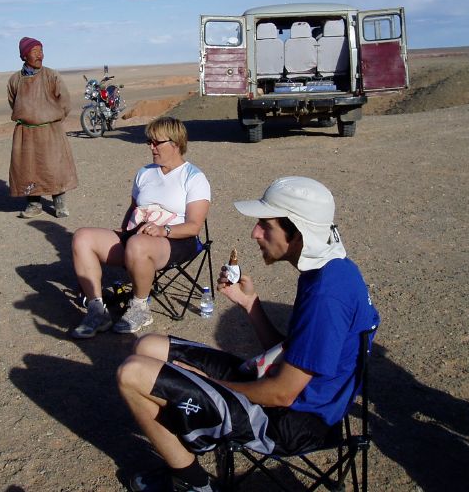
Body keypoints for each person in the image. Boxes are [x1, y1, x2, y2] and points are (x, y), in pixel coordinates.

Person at [116, 176, 380, 492]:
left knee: (132, 374)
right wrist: (249, 303)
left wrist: (208, 384)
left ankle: (193, 484)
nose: (255, 233)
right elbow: (292, 353)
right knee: (149, 345)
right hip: (290, 391)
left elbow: (283, 393)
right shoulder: (331, 269)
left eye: (265, 225)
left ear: (297, 232)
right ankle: (183, 450)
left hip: (291, 422)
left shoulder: (327, 294)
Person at [71, 116, 210, 338]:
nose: (151, 147)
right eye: (149, 142)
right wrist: (123, 232)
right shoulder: (145, 172)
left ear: (175, 143)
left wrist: (163, 230)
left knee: (137, 245)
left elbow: (194, 227)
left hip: (177, 240)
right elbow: (133, 208)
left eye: (156, 142)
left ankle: (140, 307)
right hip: (137, 237)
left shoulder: (193, 177)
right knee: (82, 237)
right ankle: (97, 311)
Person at [7, 36, 78, 219]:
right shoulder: (15, 80)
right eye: (35, 51)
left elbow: (65, 102)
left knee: (54, 167)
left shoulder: (51, 76)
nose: (40, 55)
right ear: (24, 56)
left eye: (41, 50)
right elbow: (13, 102)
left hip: (50, 131)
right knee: (28, 169)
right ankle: (33, 204)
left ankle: (59, 204)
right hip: (26, 133)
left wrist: (52, 120)